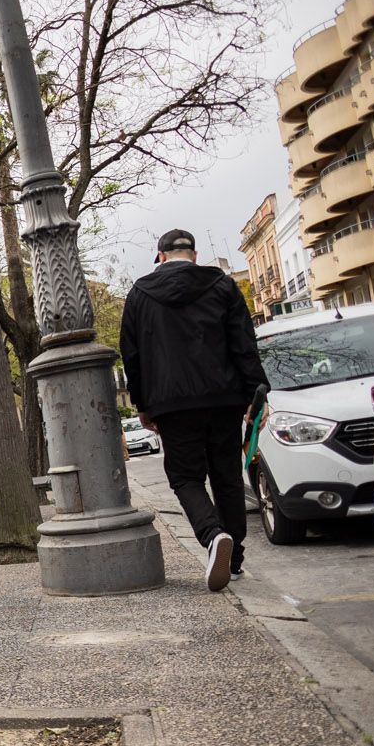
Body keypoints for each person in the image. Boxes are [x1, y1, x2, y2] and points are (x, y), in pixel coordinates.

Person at [120, 229, 269, 593]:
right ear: (195, 254)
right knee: (228, 476)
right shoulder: (222, 285)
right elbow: (244, 344)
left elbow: (132, 357)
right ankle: (234, 560)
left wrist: (143, 405)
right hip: (225, 399)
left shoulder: (140, 294)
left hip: (173, 404)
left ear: (160, 257)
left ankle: (212, 534)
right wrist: (257, 396)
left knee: (185, 477)